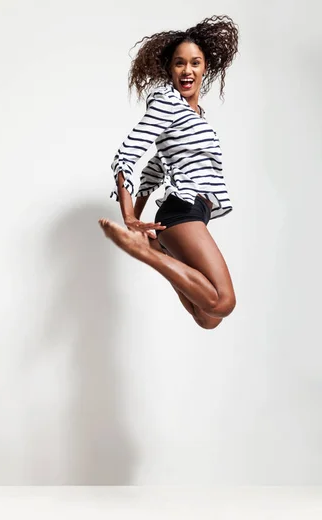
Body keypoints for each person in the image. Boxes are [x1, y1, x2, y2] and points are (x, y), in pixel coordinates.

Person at [99, 15, 239, 329]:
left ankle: (152, 247)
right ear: (170, 69)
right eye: (179, 63)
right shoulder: (168, 103)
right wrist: (129, 218)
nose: (187, 71)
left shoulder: (196, 115)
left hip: (195, 212)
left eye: (195, 62)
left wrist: (140, 219)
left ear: (206, 67)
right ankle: (145, 251)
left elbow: (155, 168)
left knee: (208, 317)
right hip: (182, 211)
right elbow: (127, 156)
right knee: (224, 301)